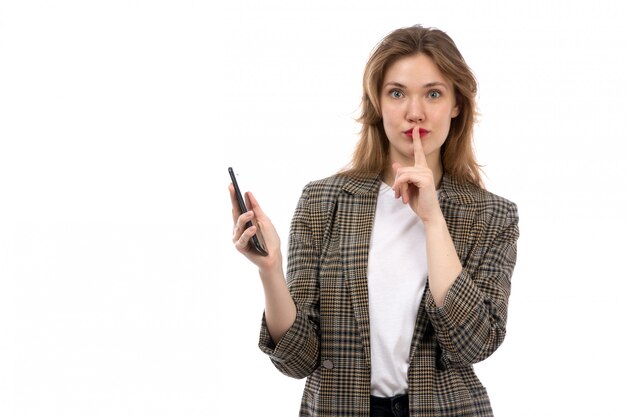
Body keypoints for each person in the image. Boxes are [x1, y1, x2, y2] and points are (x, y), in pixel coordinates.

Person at [229, 24, 519, 417]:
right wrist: (270, 269)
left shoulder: (492, 214)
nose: (414, 112)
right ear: (377, 103)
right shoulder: (322, 201)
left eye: (433, 93)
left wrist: (433, 221)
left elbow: (474, 343)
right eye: (396, 93)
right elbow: (297, 360)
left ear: (456, 104)